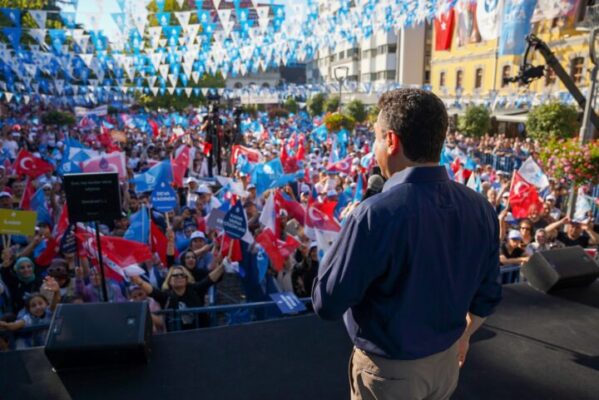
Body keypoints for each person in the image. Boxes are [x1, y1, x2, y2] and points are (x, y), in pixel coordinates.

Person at [312, 88, 501, 400]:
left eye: (374, 138)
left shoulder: (375, 215)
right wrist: (464, 335)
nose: (373, 150)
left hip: (390, 375)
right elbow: (489, 294)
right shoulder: (480, 207)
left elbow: (326, 302)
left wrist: (350, 228)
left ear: (391, 140)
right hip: (446, 366)